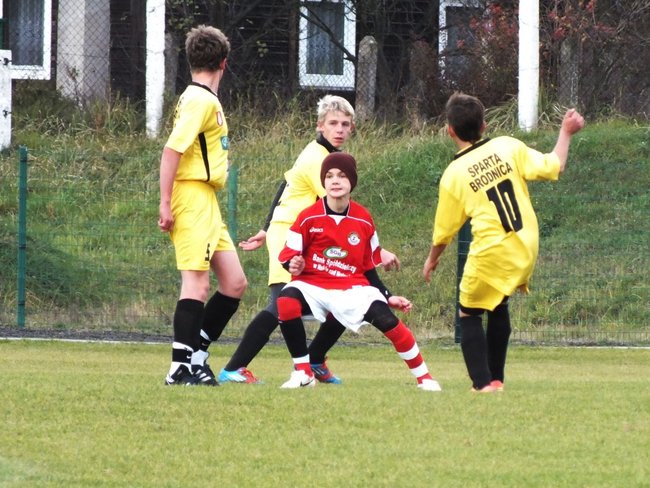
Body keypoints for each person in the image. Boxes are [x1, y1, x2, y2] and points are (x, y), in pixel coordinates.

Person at [218, 95, 400, 384]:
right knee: (281, 304)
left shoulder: (321, 153)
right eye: (333, 123)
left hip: (304, 235)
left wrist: (266, 228)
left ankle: (314, 360)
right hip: (291, 235)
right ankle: (234, 368)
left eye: (345, 124)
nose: (339, 129)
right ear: (320, 125)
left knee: (344, 292)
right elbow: (339, 207)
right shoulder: (318, 157)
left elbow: (285, 186)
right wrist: (379, 251)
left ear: (352, 128)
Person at [423, 92, 585, 392]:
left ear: (450, 131)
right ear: (484, 126)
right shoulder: (507, 146)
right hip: (524, 245)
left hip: (491, 250)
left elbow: (444, 231)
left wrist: (432, 259)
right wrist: (565, 131)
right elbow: (555, 165)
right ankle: (496, 379)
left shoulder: (454, 174)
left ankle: (482, 384)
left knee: (468, 312)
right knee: (497, 303)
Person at [276, 152, 442, 391]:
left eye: (342, 176)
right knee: (286, 299)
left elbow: (368, 269)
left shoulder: (363, 219)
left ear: (352, 181)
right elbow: (288, 255)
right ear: (323, 181)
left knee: (387, 320)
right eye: (329, 176)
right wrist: (292, 264)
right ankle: (303, 373)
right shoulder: (307, 216)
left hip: (352, 287)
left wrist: (387, 296)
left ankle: (424, 378)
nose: (335, 181)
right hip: (313, 284)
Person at [158, 25, 247, 385]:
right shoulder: (200, 100)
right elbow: (172, 150)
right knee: (196, 284)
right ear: (224, 62)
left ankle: (197, 357)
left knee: (234, 282)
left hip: (206, 198)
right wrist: (165, 202)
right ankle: (179, 367)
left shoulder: (202, 98)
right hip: (191, 196)